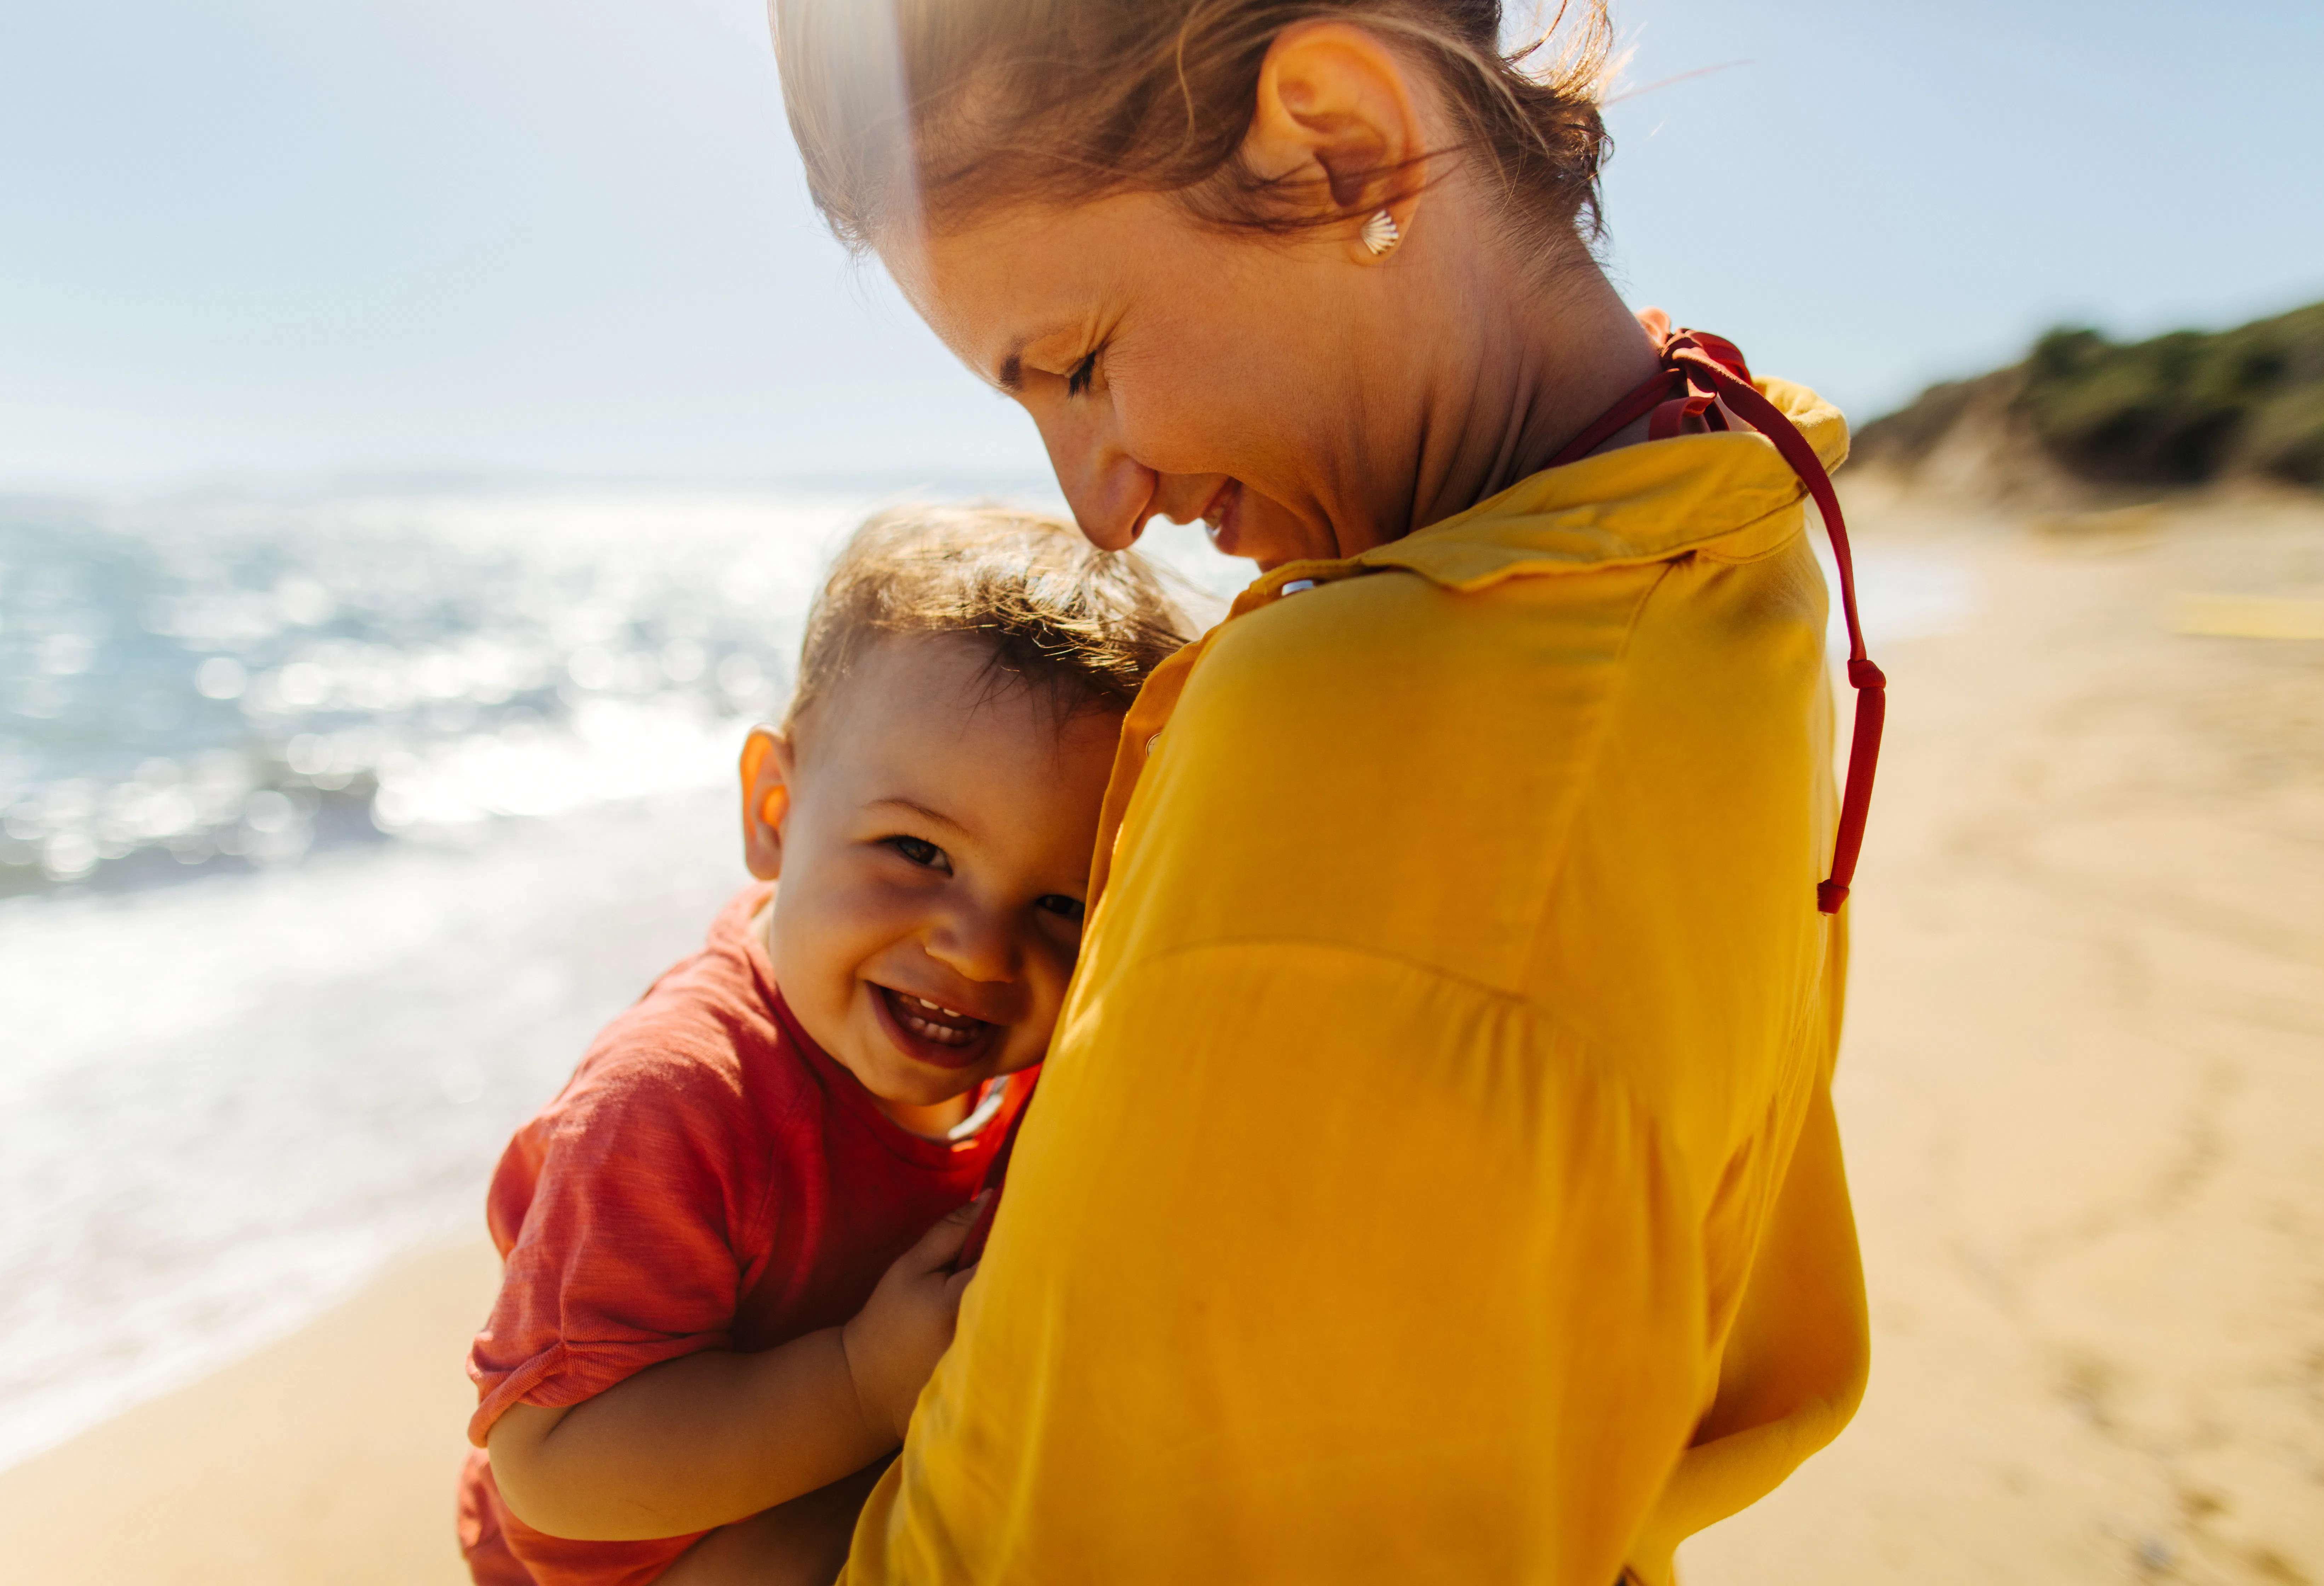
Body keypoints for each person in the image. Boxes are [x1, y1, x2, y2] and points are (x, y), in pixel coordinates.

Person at [763, 3, 1877, 1584]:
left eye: (1078, 363)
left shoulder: (1357, 735)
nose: (1099, 507)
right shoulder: (1711, 538)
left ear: (1342, 144)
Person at [455, 507, 1189, 1586]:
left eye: (1060, 905)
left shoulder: (1037, 1067)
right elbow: (550, 1468)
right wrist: (858, 1384)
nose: (978, 949)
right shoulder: (672, 1099)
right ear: (775, 807)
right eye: (918, 850)